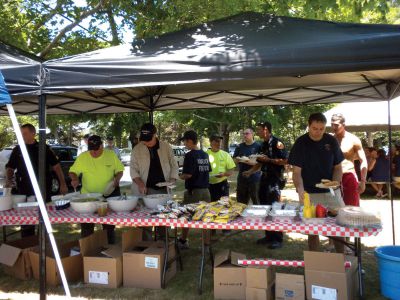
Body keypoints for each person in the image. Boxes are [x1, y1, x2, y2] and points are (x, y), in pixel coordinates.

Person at [288, 113, 345, 252]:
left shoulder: (331, 141)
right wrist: (300, 189)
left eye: (321, 128)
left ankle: (341, 256)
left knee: (339, 226)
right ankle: (315, 260)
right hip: (309, 192)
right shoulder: (301, 143)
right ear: (308, 126)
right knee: (312, 230)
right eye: (314, 128)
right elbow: (297, 172)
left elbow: (338, 167)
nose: (318, 132)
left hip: (331, 192)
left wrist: (335, 183)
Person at [5, 123, 68, 237]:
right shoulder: (17, 149)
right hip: (24, 189)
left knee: (43, 218)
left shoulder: (44, 148)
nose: (22, 136)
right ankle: (27, 245)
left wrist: (63, 184)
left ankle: (42, 244)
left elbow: (57, 167)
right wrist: (8, 180)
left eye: (24, 133)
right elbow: (10, 167)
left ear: (33, 133)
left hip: (43, 188)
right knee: (26, 220)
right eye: (21, 133)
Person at [69, 135, 124, 244]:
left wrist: (117, 178)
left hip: (108, 196)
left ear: (101, 146)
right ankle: (87, 250)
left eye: (96, 149)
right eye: (91, 149)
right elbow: (72, 171)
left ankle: (110, 250)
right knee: (86, 227)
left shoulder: (111, 155)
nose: (93, 152)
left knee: (108, 226)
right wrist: (74, 178)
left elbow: (120, 170)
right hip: (88, 198)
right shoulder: (83, 157)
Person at [130, 123, 179, 239]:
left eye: (149, 140)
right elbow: (133, 170)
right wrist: (140, 183)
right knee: (144, 222)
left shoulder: (166, 147)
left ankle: (163, 245)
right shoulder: (137, 149)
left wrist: (172, 180)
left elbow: (174, 166)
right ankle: (146, 246)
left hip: (163, 190)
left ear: (155, 135)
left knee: (163, 220)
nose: (146, 143)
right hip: (145, 190)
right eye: (144, 140)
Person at [244, 121, 288, 249]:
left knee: (274, 209)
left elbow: (285, 160)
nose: (257, 132)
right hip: (264, 179)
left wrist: (268, 160)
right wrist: (250, 171)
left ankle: (278, 239)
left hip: (274, 180)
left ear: (266, 129)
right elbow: (260, 163)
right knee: (264, 208)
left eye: (258, 129)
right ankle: (268, 236)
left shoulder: (277, 143)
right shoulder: (263, 144)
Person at [178, 130, 211, 249]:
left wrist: (178, 176)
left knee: (186, 216)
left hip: (193, 192)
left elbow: (188, 175)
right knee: (206, 217)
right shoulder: (205, 154)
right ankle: (206, 244)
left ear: (190, 141)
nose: (185, 144)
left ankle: (183, 240)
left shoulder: (189, 155)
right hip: (206, 191)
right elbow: (207, 170)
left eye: (185, 141)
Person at [331, 113, 368, 206]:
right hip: (332, 178)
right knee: (332, 209)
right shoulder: (329, 140)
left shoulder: (353, 139)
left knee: (351, 208)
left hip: (348, 176)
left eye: (336, 125)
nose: (333, 127)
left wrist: (363, 181)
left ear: (343, 125)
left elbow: (363, 161)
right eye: (332, 124)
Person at [233, 128, 262, 205]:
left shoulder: (258, 146)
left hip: (254, 178)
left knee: (256, 201)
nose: (245, 135)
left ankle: (258, 217)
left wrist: (249, 161)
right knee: (241, 203)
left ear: (252, 134)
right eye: (244, 134)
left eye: (247, 133)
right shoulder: (239, 146)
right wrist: (239, 159)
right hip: (242, 178)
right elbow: (234, 160)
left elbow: (261, 163)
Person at [206, 134, 236, 201]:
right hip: (208, 185)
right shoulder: (205, 154)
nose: (218, 143)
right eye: (216, 141)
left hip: (222, 185)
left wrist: (224, 174)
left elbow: (231, 170)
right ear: (210, 142)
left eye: (220, 141)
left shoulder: (225, 155)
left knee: (224, 207)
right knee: (210, 208)